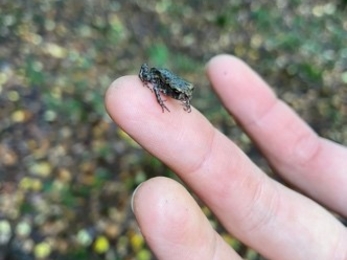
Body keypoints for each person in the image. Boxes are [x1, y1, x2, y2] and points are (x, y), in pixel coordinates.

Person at [105, 55, 347, 260]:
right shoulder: (163, 84)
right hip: (162, 78)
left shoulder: (180, 92)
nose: (184, 97)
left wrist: (180, 97)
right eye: (181, 95)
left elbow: (180, 91)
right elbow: (160, 89)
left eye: (185, 95)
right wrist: (158, 95)